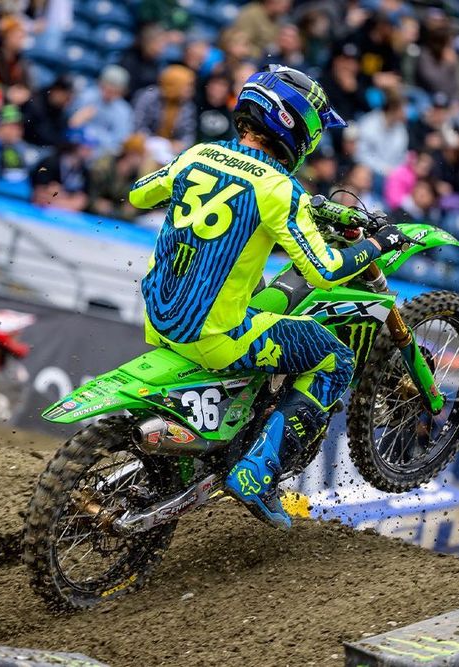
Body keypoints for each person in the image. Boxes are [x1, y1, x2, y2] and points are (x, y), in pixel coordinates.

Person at [128, 65, 409, 530]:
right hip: (213, 335)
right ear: (299, 128)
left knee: (259, 288)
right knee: (335, 359)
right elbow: (325, 271)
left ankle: (238, 425)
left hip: (159, 316)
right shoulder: (279, 189)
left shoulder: (198, 154)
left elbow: (139, 195)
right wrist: (378, 244)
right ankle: (257, 474)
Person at [132, 64, 198, 154]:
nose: (191, 90)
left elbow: (188, 135)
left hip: (170, 150)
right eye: (188, 85)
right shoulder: (149, 97)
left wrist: (180, 145)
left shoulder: (188, 107)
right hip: (145, 144)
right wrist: (154, 143)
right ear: (175, 84)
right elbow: (137, 124)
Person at [70, 65, 134, 157]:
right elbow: (72, 123)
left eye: (115, 91)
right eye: (107, 89)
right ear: (100, 84)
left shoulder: (124, 111)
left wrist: (97, 138)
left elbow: (119, 141)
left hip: (103, 153)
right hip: (77, 146)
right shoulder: (86, 97)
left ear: (122, 92)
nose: (109, 94)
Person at [30, 127, 92, 211]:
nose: (89, 151)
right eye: (85, 147)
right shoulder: (50, 163)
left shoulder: (84, 171)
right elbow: (39, 195)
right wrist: (67, 199)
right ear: (73, 145)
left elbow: (82, 201)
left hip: (64, 212)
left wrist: (60, 198)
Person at [0, 104, 30, 198]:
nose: (17, 131)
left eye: (19, 127)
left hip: (19, 196)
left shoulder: (21, 146)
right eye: (12, 126)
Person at [22, 74, 74, 147]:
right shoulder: (35, 103)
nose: (68, 101)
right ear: (57, 91)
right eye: (67, 97)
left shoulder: (59, 109)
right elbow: (45, 136)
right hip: (28, 144)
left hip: (45, 147)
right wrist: (71, 123)